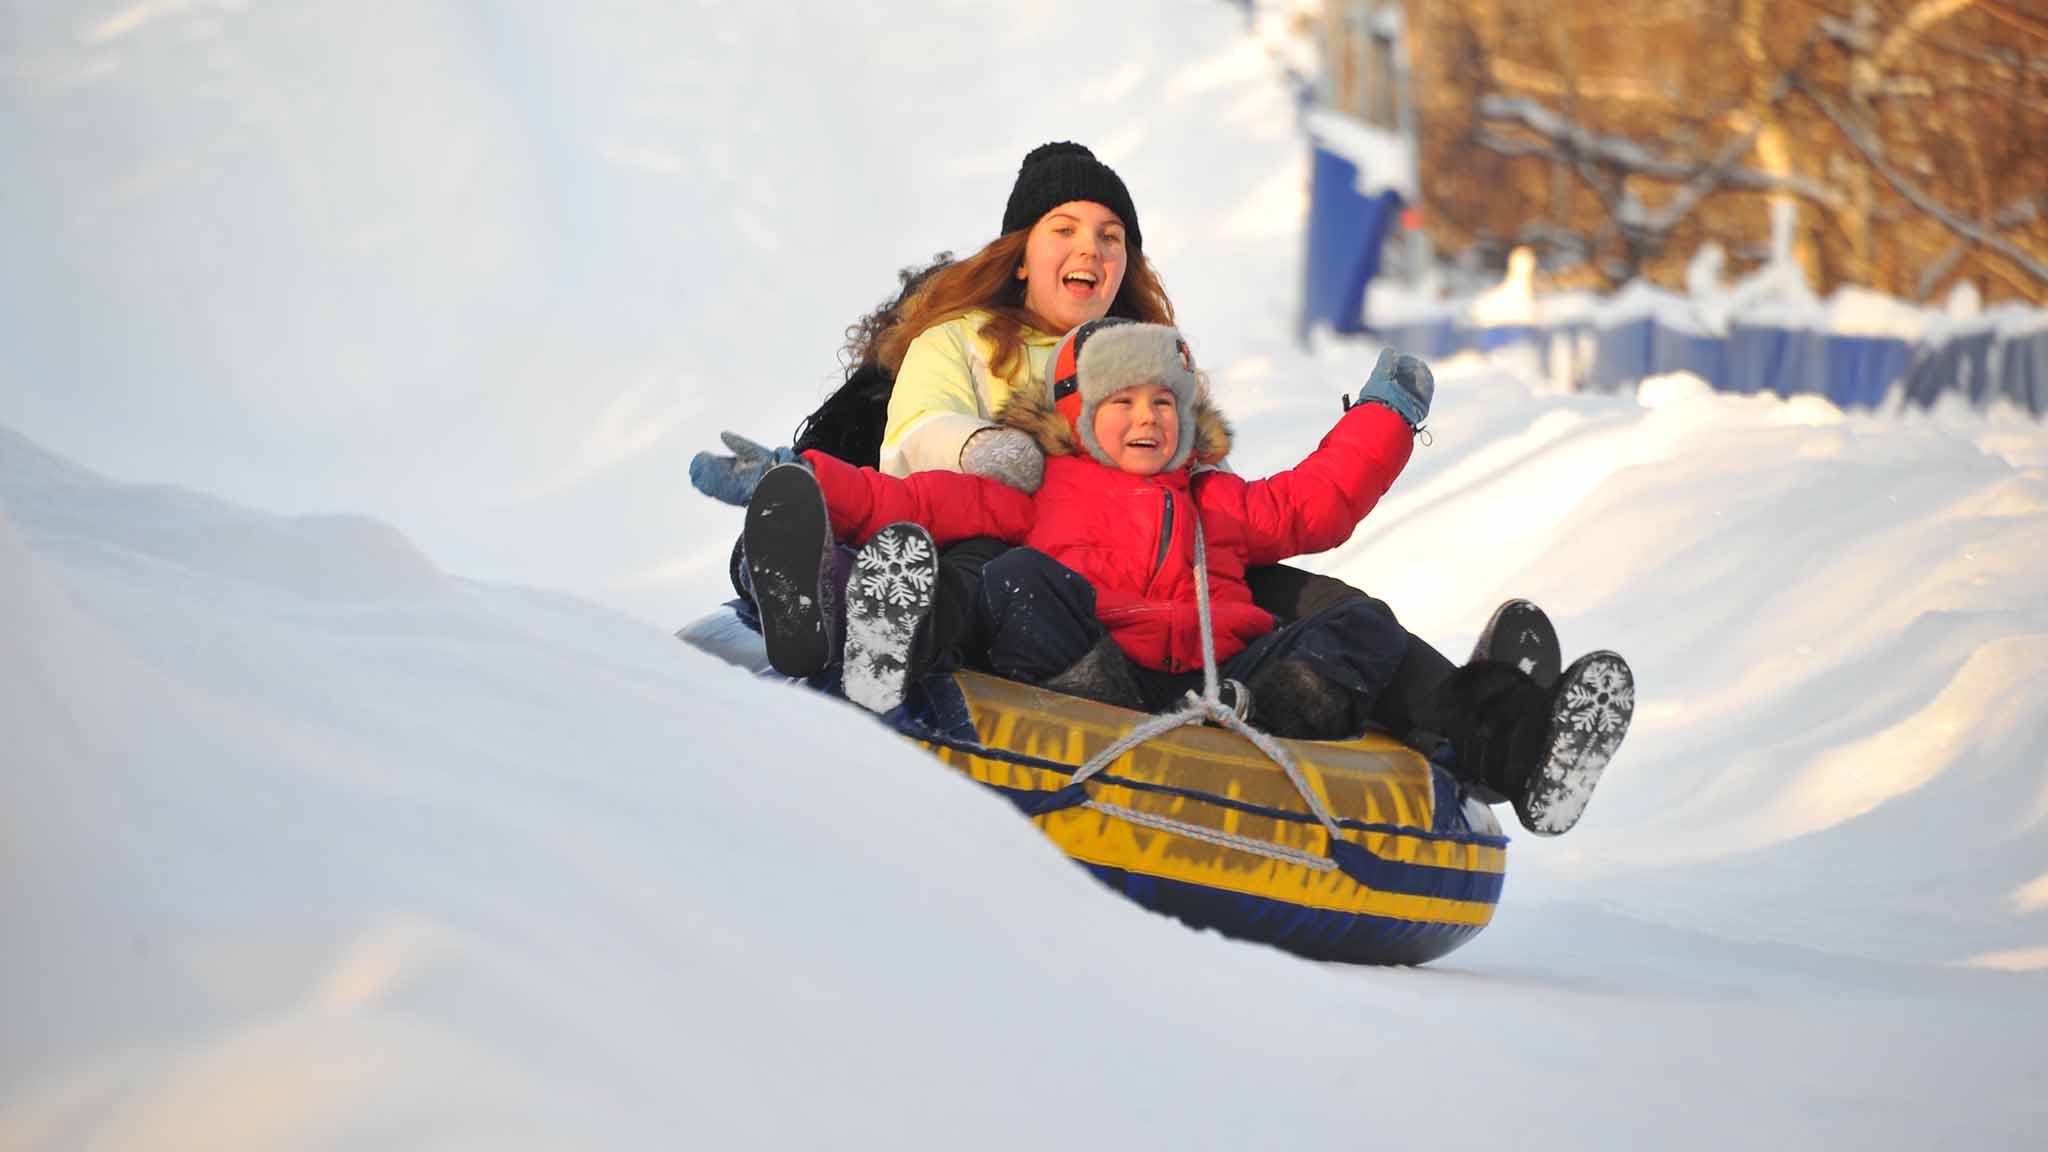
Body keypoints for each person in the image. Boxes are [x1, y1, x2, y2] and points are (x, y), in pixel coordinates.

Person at [744, 319, 1634, 837]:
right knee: (1006, 577)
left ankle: (1517, 752)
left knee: (1363, 623)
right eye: (1122, 403)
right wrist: (801, 478)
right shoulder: (1035, 488)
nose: (1146, 419)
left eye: (1163, 402)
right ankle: (884, 640)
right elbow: (913, 499)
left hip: (1228, 684)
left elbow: (1313, 503)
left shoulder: (1215, 500)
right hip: (1089, 667)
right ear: (1078, 418)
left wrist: (1383, 417)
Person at [691, 141, 1419, 709]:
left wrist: (1379, 420)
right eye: (1064, 229)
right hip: (1000, 535)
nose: (1091, 249)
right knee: (993, 568)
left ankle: (1461, 723)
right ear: (1020, 255)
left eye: (1110, 236)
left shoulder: (1146, 360)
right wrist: (981, 448)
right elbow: (919, 438)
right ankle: (852, 612)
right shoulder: (965, 339)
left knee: (1327, 604)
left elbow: (1219, 498)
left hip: (1145, 573)